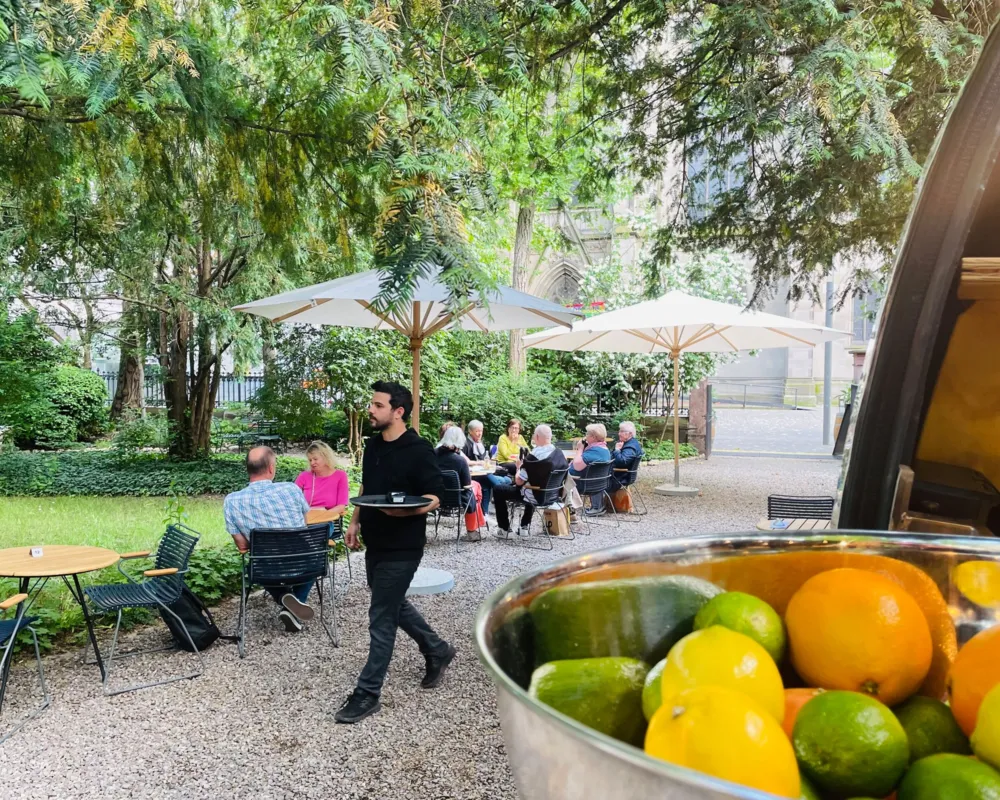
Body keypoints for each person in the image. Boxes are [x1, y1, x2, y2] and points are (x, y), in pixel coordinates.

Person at [336, 381, 456, 724]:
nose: (370, 410)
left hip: (403, 546)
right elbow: (366, 487)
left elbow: (436, 496)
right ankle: (437, 648)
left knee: (382, 617)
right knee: (392, 603)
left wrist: (410, 511)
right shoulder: (373, 445)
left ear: (398, 411)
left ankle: (367, 692)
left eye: (377, 405)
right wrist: (355, 522)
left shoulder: (418, 450)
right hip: (375, 540)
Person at [223, 446, 313, 633]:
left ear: (248, 469)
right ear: (271, 468)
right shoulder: (291, 489)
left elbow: (242, 545)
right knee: (315, 558)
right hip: (303, 563)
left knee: (252, 567)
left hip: (265, 568)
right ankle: (293, 605)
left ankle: (283, 597)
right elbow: (304, 526)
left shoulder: (231, 501)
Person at [492, 424, 568, 535]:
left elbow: (519, 481)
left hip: (535, 496)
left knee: (498, 489)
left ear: (536, 437)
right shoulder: (559, 454)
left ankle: (504, 529)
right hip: (553, 495)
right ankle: (524, 527)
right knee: (533, 483)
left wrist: (519, 467)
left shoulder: (534, 457)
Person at [435, 426, 486, 541]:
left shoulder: (433, 455)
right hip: (456, 497)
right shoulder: (460, 460)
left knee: (474, 489)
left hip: (435, 495)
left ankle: (478, 523)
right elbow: (467, 484)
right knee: (475, 488)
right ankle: (472, 529)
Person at [295, 440, 349, 513]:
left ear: (326, 457)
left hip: (328, 520)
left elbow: (341, 506)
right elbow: (292, 500)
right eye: (310, 460)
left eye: (315, 459)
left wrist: (323, 515)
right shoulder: (304, 476)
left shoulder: (340, 475)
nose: (312, 463)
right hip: (305, 519)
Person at [570, 423, 613, 515]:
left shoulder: (594, 451)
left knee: (558, 479)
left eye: (587, 434)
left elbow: (577, 466)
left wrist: (580, 449)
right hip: (596, 483)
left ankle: (563, 511)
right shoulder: (603, 449)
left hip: (581, 484)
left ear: (593, 437)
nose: (585, 436)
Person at [609, 421, 644, 492]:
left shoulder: (630, 447)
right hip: (619, 476)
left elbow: (622, 461)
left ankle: (598, 503)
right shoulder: (628, 443)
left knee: (596, 482)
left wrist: (617, 450)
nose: (619, 434)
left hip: (618, 478)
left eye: (622, 431)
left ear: (630, 434)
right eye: (619, 431)